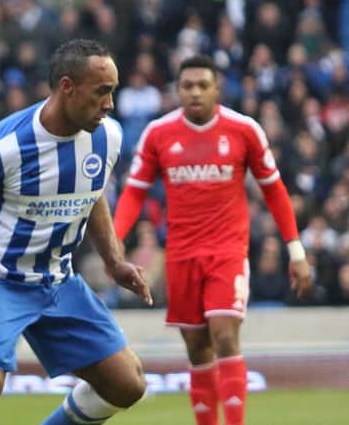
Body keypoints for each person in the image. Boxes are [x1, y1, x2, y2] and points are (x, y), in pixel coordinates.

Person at [0, 39, 151, 425]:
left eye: (113, 92)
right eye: (102, 91)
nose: (110, 104)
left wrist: (115, 261)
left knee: (127, 383)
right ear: (67, 87)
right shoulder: (1, 146)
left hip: (57, 280)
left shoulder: (108, 136)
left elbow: (92, 193)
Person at [113, 54, 313, 425]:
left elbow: (275, 191)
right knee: (196, 347)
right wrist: (114, 247)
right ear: (177, 89)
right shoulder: (159, 133)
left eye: (202, 85)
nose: (194, 93)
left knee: (224, 334)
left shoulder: (244, 129)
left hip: (227, 251)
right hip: (181, 255)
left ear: (217, 89)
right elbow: (133, 193)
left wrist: (296, 252)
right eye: (187, 86)